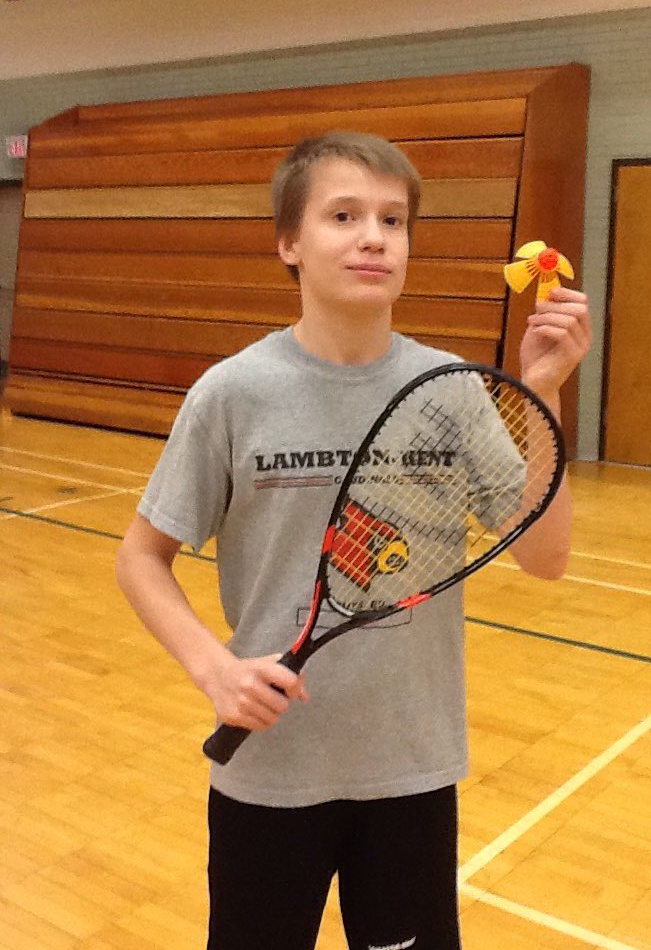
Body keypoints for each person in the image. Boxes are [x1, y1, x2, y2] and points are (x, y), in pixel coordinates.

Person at [116, 131, 591, 950]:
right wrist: (215, 669)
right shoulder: (233, 393)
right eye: (344, 216)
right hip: (269, 773)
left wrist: (542, 390)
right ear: (289, 243)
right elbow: (139, 558)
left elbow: (544, 558)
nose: (374, 237)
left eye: (392, 220)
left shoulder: (451, 391)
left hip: (410, 771)